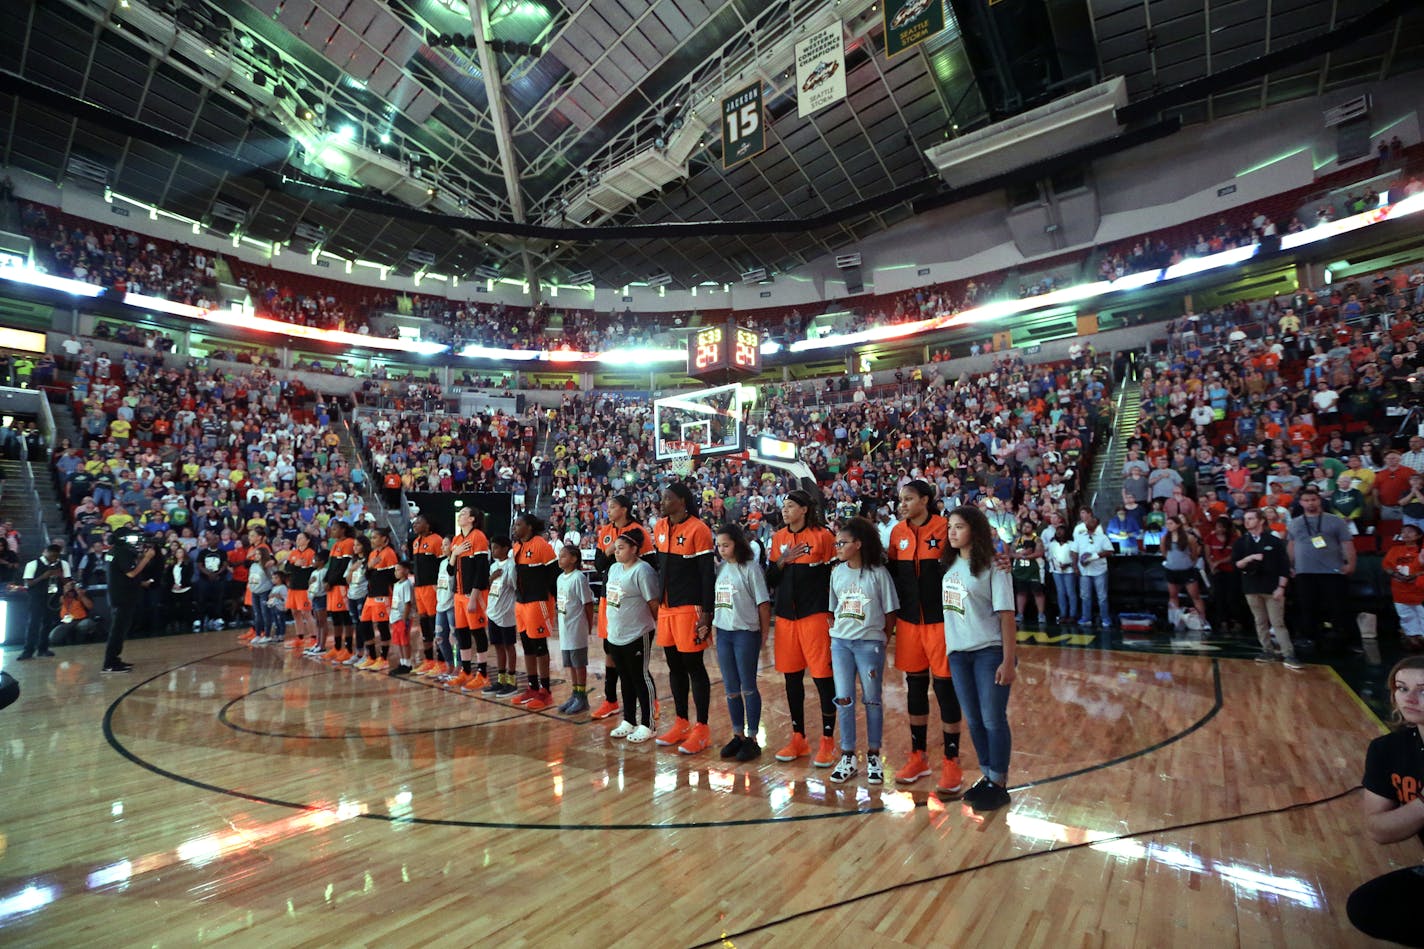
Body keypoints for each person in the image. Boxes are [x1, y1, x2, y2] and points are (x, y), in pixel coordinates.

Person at [886, 481, 964, 792]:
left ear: (925, 500)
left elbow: (970, 559)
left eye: (908, 499)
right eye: (900, 499)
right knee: (914, 689)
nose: (902, 504)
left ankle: (951, 760)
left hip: (941, 622)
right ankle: (919, 756)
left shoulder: (946, 528)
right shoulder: (896, 533)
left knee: (946, 692)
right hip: (908, 624)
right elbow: (890, 573)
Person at [941, 504, 1018, 812]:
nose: (952, 532)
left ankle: (999, 781)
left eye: (959, 526)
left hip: (989, 651)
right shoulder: (948, 566)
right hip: (959, 653)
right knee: (973, 720)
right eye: (950, 527)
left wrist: (1009, 660)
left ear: (975, 529)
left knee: (992, 718)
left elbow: (1007, 615)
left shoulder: (994, 566)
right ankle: (987, 776)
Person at [1345, 657, 1424, 946]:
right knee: (1366, 907)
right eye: (1402, 688)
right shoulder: (1387, 750)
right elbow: (1379, 830)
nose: (1410, 698)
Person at [766, 488, 839, 768]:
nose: (785, 510)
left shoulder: (823, 536)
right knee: (792, 679)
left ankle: (828, 741)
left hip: (815, 616)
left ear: (805, 509)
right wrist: (783, 560)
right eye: (783, 506)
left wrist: (833, 611)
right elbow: (771, 578)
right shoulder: (778, 538)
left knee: (822, 679)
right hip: (785, 619)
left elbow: (836, 575)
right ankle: (799, 738)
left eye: (791, 505)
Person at [827, 516, 899, 785]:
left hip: (869, 645)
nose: (838, 547)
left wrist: (881, 639)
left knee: (872, 699)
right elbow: (832, 609)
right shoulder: (836, 572)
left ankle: (873, 755)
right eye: (837, 542)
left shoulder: (878, 574)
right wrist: (837, 631)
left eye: (842, 542)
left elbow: (890, 612)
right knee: (844, 698)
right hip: (841, 645)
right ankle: (847, 755)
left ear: (858, 544)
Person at [649, 483, 716, 755]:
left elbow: (706, 576)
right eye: (662, 497)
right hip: (666, 608)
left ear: (682, 501)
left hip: (690, 608)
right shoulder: (659, 527)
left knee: (694, 666)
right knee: (674, 666)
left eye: (668, 498)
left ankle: (702, 728)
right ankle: (681, 722)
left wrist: (707, 614)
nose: (662, 502)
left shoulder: (699, 529)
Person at [591, 495, 654, 721]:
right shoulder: (605, 531)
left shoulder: (639, 531)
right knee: (610, 651)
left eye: (613, 506)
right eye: (608, 506)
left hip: (633, 599)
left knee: (635, 659)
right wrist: (608, 551)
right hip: (610, 597)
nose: (609, 510)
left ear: (625, 509)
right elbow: (598, 566)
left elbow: (651, 565)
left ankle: (650, 702)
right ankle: (610, 700)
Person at [713, 522, 770, 762]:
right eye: (718, 546)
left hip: (746, 633)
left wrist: (763, 635)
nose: (721, 550)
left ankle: (753, 738)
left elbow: (763, 604)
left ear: (737, 543)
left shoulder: (751, 569)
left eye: (726, 545)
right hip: (724, 633)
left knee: (748, 685)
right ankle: (737, 734)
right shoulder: (722, 569)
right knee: (731, 688)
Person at [605, 527, 661, 743]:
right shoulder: (614, 570)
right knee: (624, 677)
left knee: (640, 677)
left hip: (638, 632)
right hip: (615, 633)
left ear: (634, 549)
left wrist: (660, 627)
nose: (616, 552)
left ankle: (648, 724)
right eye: (615, 548)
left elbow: (653, 602)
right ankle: (629, 719)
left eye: (621, 548)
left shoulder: (643, 571)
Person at [1287, 486, 1356, 653]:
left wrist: (1350, 563)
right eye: (1306, 500)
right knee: (1307, 607)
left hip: (1332, 571)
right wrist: (1290, 565)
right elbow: (1291, 545)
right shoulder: (1294, 523)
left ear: (1319, 500)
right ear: (1301, 503)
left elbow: (1347, 544)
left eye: (1313, 500)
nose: (1310, 503)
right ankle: (1310, 638)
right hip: (1304, 571)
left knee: (1338, 607)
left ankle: (1344, 639)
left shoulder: (1335, 520)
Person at [511, 513, 559, 710]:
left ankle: (546, 692)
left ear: (529, 527)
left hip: (538, 601)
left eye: (519, 524)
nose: (515, 527)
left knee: (540, 647)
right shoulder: (516, 546)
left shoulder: (541, 544)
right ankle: (532, 687)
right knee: (527, 646)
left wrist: (555, 602)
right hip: (521, 603)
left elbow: (554, 575)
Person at [104, 515, 155, 673]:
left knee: (120, 630)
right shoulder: (121, 552)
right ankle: (110, 663)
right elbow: (131, 573)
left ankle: (114, 659)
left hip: (120, 594)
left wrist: (139, 556)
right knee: (118, 631)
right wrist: (146, 558)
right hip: (122, 596)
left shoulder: (115, 551)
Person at [450, 506, 492, 691]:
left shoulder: (478, 537)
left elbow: (482, 571)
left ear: (473, 519)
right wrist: (454, 554)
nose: (461, 515)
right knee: (462, 633)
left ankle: (483, 675)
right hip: (458, 594)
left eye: (465, 513)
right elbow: (450, 570)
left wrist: (474, 597)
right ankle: (466, 672)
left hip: (472, 594)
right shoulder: (457, 540)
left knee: (478, 633)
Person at [555, 544, 594, 714]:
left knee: (579, 664)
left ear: (573, 559)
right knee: (570, 664)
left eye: (563, 556)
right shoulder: (560, 578)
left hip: (576, 627)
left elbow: (588, 603)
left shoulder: (578, 578)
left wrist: (589, 625)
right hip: (565, 627)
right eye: (559, 556)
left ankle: (582, 698)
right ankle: (575, 693)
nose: (560, 559)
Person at [482, 535, 519, 696]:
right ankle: (500, 679)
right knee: (497, 646)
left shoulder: (511, 565)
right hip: (493, 611)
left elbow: (514, 586)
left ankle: (511, 681)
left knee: (509, 646)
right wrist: (491, 578)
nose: (493, 550)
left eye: (496, 547)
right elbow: (490, 585)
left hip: (506, 613)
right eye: (492, 547)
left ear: (505, 549)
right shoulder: (493, 566)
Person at [20, 542, 70, 660]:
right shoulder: (33, 564)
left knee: (48, 623)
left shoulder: (63, 564)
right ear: (45, 552)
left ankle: (43, 649)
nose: (53, 559)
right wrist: (44, 576)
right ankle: (28, 650)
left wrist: (60, 576)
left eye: (56, 557)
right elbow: (29, 583)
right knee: (33, 623)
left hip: (52, 598)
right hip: (36, 597)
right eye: (51, 556)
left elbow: (67, 581)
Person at [359, 528, 400, 671]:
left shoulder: (389, 553)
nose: (372, 540)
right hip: (371, 595)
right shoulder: (372, 554)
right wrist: (370, 567)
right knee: (364, 623)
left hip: (383, 594)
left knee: (382, 626)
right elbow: (367, 576)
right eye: (371, 537)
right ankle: (371, 657)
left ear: (384, 538)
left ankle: (383, 659)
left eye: (375, 537)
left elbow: (394, 576)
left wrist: (377, 571)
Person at [408, 515, 445, 674]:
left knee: (434, 624)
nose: (415, 525)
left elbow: (443, 564)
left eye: (419, 522)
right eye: (414, 523)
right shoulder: (415, 542)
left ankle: (442, 662)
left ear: (428, 524)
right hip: (419, 588)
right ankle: (429, 661)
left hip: (432, 588)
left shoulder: (437, 540)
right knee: (424, 625)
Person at [1161, 516, 1209, 629]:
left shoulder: (1189, 538)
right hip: (1172, 570)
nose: (1168, 526)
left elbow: (1194, 553)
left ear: (1178, 524)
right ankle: (1174, 621)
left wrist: (1188, 562)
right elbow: (1164, 553)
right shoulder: (1164, 538)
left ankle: (1202, 620)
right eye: (1167, 524)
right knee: (1173, 596)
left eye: (1171, 523)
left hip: (1187, 570)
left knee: (1195, 596)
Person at [1382, 526, 1424, 652]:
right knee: (1406, 616)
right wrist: (1395, 575)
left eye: (1410, 532)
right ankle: (1412, 639)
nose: (1406, 534)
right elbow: (1386, 566)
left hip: (1419, 590)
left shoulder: (1421, 550)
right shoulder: (1395, 550)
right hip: (1399, 589)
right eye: (1403, 532)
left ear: (1419, 536)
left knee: (1421, 614)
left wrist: (1416, 575)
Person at [322, 521, 356, 662]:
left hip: (341, 586)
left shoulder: (349, 543)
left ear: (343, 530)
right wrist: (325, 580)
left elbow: (343, 567)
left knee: (345, 618)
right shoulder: (335, 545)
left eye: (335, 529)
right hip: (332, 586)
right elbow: (331, 566)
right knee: (335, 618)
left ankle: (348, 649)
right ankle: (337, 648)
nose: (332, 531)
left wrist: (331, 581)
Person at [1073, 513, 1113, 628]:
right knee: (1085, 596)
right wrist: (1075, 566)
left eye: (1092, 521)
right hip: (1084, 571)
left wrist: (1094, 556)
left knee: (1102, 596)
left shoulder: (1102, 537)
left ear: (1096, 524)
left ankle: (1105, 618)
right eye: (1088, 521)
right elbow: (1074, 552)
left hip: (1099, 571)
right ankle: (1086, 618)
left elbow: (1109, 551)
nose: (1089, 523)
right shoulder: (1080, 537)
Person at [1044, 523, 1078, 624]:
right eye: (1057, 531)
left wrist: (1068, 564)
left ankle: (1072, 614)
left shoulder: (1072, 544)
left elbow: (1075, 558)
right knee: (1060, 593)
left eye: (1061, 531)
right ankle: (1063, 614)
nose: (1059, 533)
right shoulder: (1052, 544)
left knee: (1070, 593)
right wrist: (1054, 564)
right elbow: (1049, 556)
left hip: (1069, 571)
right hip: (1057, 571)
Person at [387, 562, 415, 675]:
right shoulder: (397, 584)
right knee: (398, 641)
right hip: (395, 618)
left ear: (406, 571)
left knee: (404, 641)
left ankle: (407, 664)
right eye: (395, 570)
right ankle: (402, 662)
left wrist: (405, 619)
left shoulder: (407, 584)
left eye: (398, 569)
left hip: (402, 618)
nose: (396, 572)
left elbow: (408, 603)